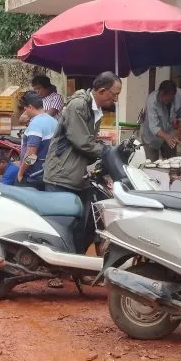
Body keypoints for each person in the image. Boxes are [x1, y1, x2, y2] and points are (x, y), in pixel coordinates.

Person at [45, 71, 121, 253]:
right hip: (61, 176)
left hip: (77, 174)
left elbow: (89, 141)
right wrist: (106, 151)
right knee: (61, 227)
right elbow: (81, 141)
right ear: (102, 91)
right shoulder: (79, 105)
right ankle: (56, 272)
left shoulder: (94, 109)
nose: (116, 99)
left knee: (83, 225)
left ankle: (74, 268)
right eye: (115, 94)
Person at [16, 91, 57, 186]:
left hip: (34, 176)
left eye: (25, 108)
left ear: (30, 107)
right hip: (49, 172)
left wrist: (20, 173)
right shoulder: (53, 121)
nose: (25, 111)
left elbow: (31, 155)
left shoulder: (36, 124)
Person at [141, 80, 181, 161]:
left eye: (165, 97)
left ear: (173, 95)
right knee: (152, 165)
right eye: (161, 95)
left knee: (173, 162)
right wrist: (167, 137)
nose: (161, 98)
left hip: (169, 131)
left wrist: (178, 134)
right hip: (151, 136)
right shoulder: (152, 100)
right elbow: (153, 127)